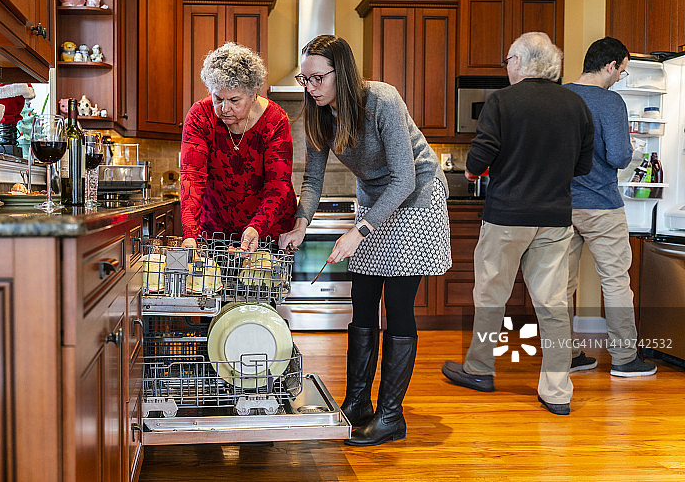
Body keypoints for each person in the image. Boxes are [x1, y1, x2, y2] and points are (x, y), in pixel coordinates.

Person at [279, 35, 452, 446]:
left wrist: (358, 230)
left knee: (396, 307)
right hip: (376, 199)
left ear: (343, 72)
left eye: (318, 78)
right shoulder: (319, 114)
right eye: (305, 79)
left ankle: (392, 416)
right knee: (362, 302)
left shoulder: (382, 100)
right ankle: (358, 403)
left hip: (417, 198)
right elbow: (313, 179)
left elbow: (405, 177)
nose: (310, 87)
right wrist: (301, 222)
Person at [440, 32, 594, 416]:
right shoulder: (576, 104)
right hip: (556, 219)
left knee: (491, 297)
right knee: (555, 305)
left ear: (523, 63)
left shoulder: (502, 102)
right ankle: (558, 392)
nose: (506, 66)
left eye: (508, 59)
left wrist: (478, 170)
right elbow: (583, 166)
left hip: (507, 217)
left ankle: (480, 368)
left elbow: (477, 162)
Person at [564, 37, 657, 377]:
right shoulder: (610, 101)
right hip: (602, 205)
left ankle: (569, 355)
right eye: (621, 70)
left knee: (561, 284)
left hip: (561, 205)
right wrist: (629, 148)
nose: (620, 77)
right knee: (616, 281)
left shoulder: (560, 95)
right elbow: (618, 156)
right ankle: (624, 359)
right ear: (609, 65)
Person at [180, 42, 296, 252]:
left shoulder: (275, 120)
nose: (224, 109)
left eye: (234, 100)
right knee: (212, 285)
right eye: (217, 98)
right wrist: (189, 233)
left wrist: (257, 227)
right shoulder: (200, 116)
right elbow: (191, 177)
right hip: (215, 230)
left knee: (261, 283)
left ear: (253, 95)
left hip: (266, 230)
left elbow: (278, 184)